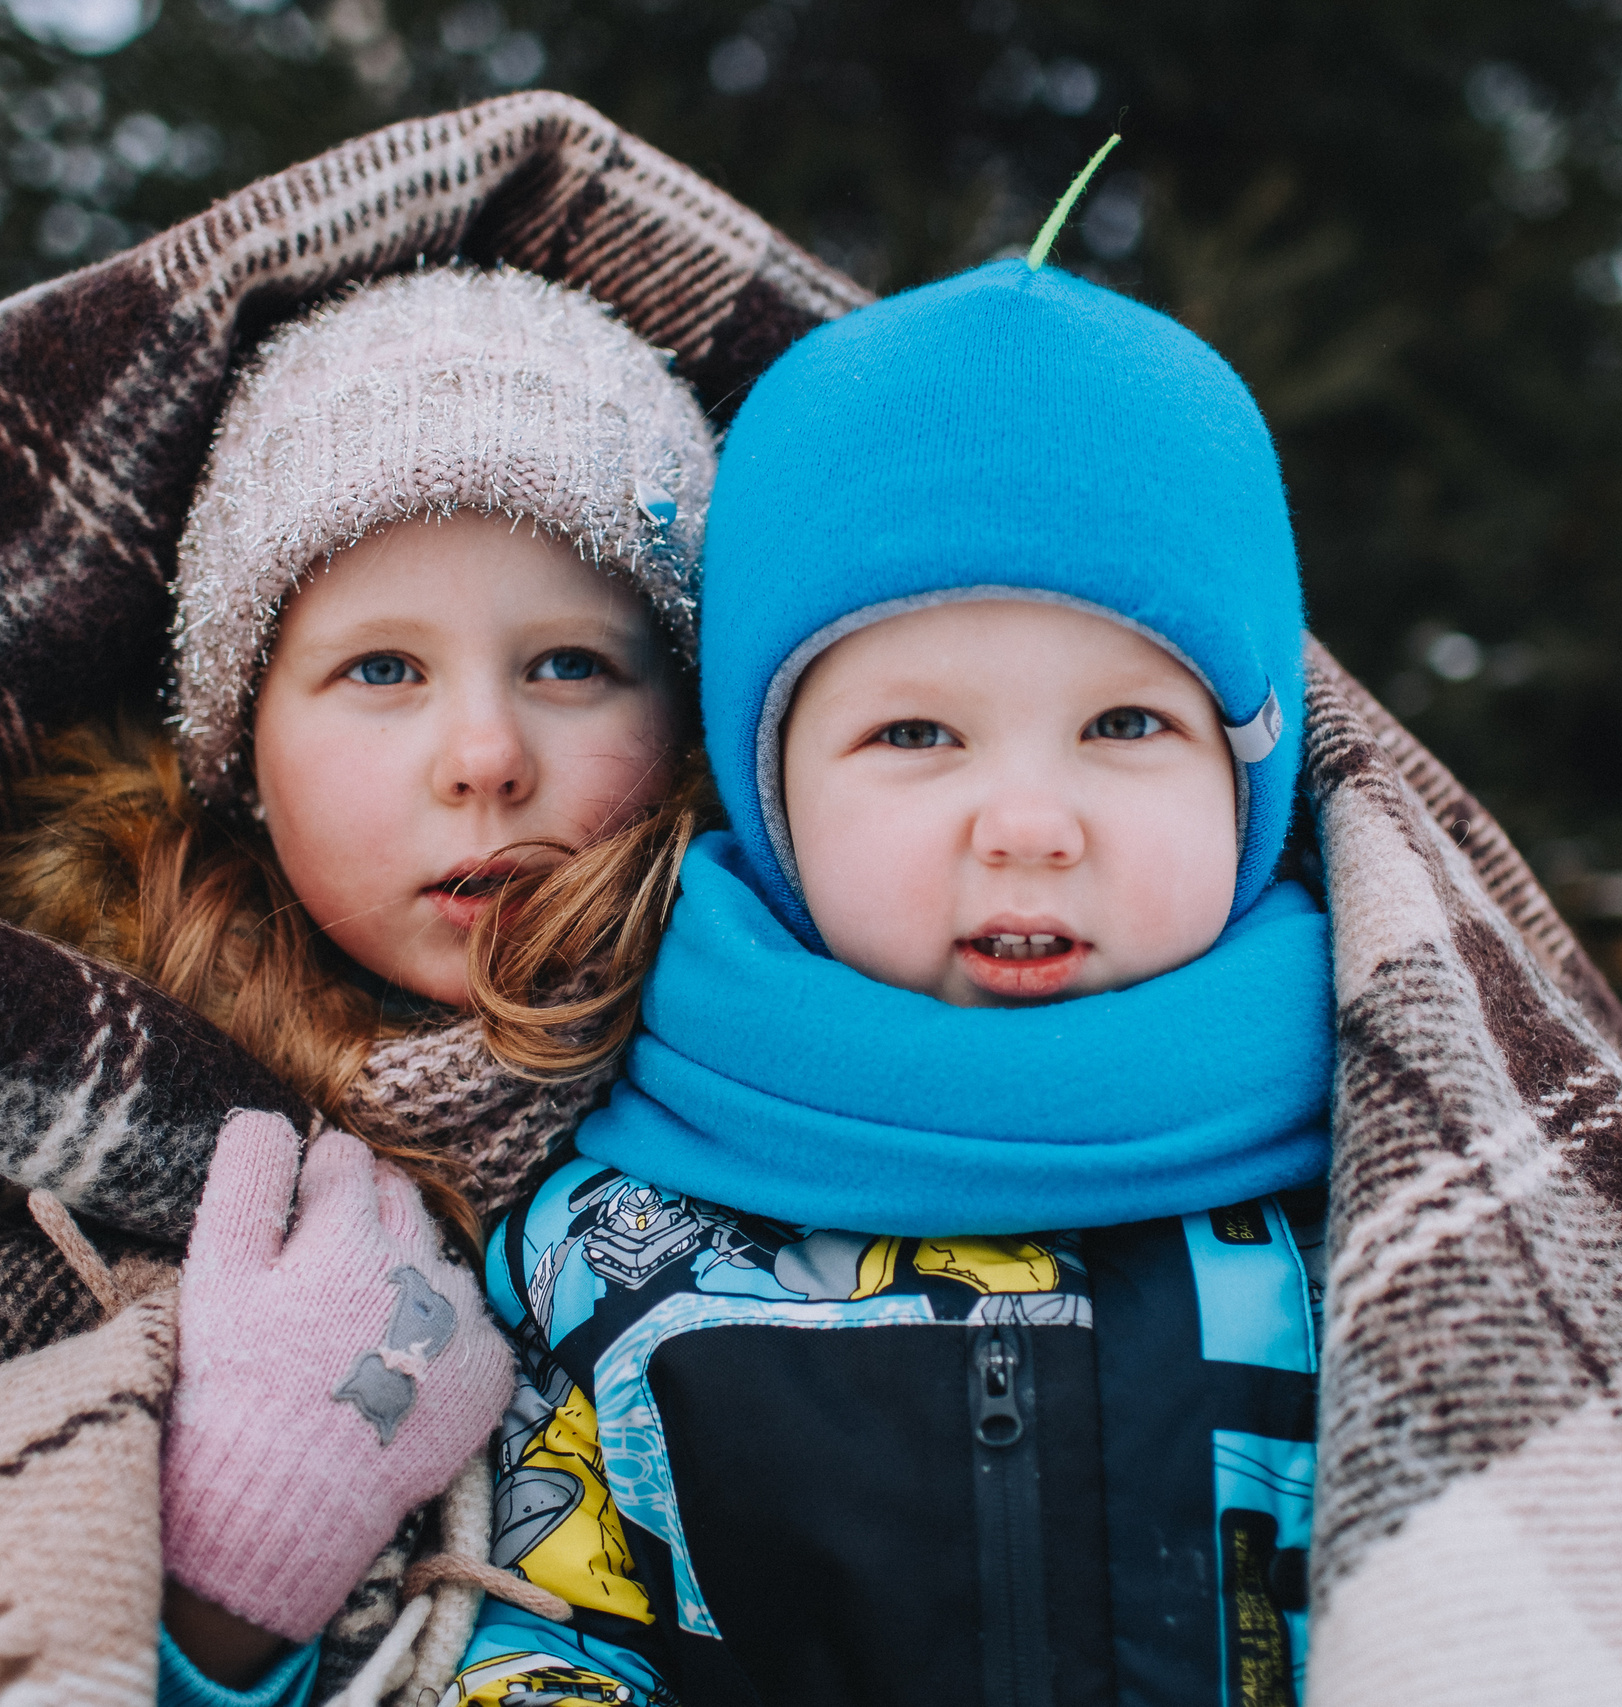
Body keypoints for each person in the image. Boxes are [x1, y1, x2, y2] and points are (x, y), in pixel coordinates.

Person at [447, 246, 1343, 1706]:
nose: (1032, 826)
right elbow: (552, 1623)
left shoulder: (1396, 1165)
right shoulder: (618, 1234)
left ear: (1254, 771)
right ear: (768, 790)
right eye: (917, 737)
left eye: (1124, 724)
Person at [0, 263, 721, 1704]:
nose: (485, 756)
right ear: (243, 752)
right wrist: (240, 1560)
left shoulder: (821, 1076)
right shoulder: (68, 1132)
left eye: (570, 662)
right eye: (381, 670)